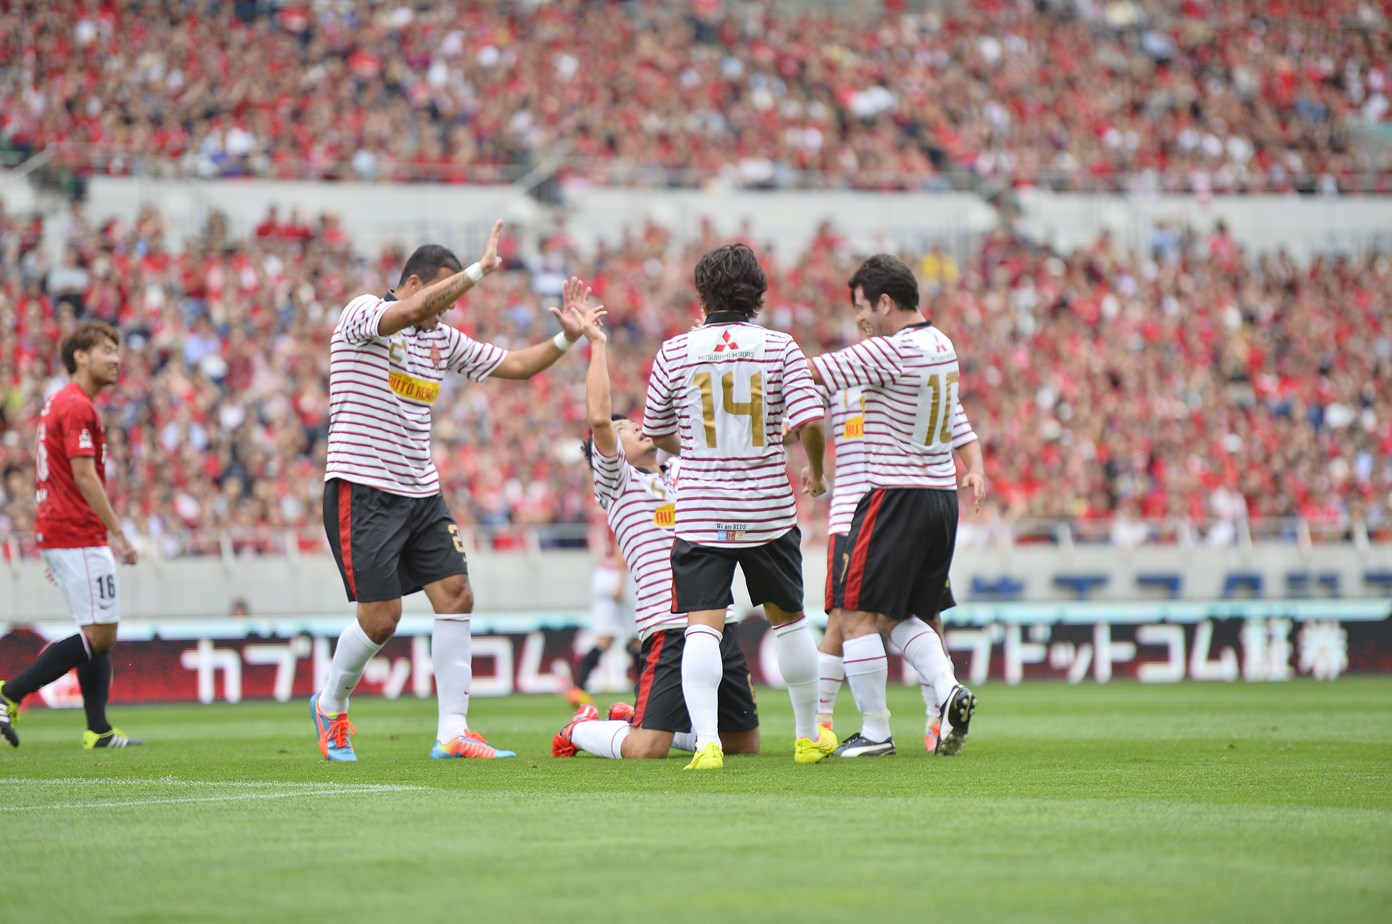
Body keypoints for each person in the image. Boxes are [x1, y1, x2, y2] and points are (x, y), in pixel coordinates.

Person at [310, 220, 603, 762]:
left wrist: (568, 337)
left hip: (421, 490)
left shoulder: (439, 338)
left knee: (457, 595)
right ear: (417, 283)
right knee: (382, 619)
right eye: (443, 297)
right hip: (362, 486)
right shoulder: (362, 314)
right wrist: (479, 270)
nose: (447, 312)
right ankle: (331, 704)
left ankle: (452, 731)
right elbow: (411, 313)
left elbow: (514, 365)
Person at [641, 242, 833, 770]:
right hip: (768, 506)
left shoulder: (675, 351)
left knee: (703, 625)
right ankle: (806, 737)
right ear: (759, 293)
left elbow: (655, 432)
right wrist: (815, 470)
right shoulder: (780, 347)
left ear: (702, 294)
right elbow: (810, 423)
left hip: (702, 506)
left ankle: (706, 742)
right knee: (790, 621)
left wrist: (703, 451)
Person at [553, 296, 759, 760]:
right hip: (666, 625)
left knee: (744, 747)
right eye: (628, 428)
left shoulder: (681, 472)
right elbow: (599, 420)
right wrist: (598, 344)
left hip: (715, 618)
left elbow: (707, 411)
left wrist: (705, 343)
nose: (637, 428)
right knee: (647, 751)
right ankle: (581, 729)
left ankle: (634, 719)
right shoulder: (618, 482)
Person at [808, 254, 986, 757]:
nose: (860, 318)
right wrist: (973, 468)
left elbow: (810, 371)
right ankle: (947, 694)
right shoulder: (942, 345)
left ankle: (875, 731)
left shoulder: (893, 351)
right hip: (937, 499)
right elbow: (957, 422)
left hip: (891, 497)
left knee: (855, 614)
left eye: (863, 307)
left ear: (885, 302)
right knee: (910, 614)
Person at [1, 320, 142, 750]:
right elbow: (81, 474)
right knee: (101, 634)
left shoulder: (56, 402)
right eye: (106, 349)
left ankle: (98, 730)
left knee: (92, 629)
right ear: (80, 357)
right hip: (76, 531)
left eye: (117, 349)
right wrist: (117, 532)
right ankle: (9, 693)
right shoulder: (77, 405)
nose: (117, 358)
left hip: (63, 530)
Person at [566, 537, 638, 706]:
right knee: (638, 637)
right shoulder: (620, 512)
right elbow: (618, 544)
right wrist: (621, 579)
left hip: (601, 572)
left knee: (604, 639)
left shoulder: (600, 514)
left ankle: (578, 688)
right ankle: (648, 689)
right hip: (620, 573)